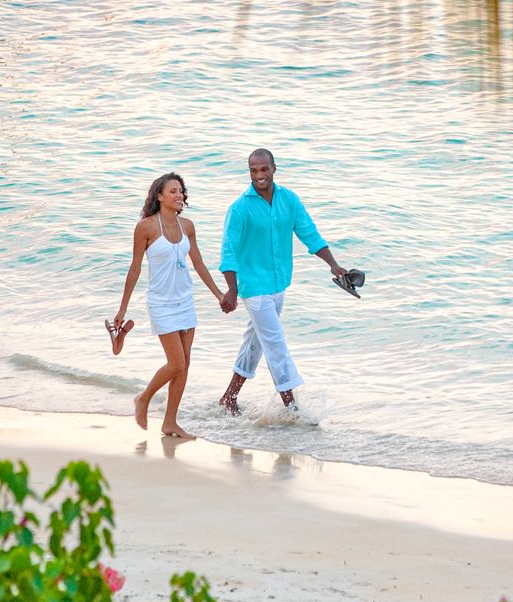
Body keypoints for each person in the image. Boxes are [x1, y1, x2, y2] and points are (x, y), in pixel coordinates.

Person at [217, 149, 352, 415]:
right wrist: (231, 290)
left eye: (264, 169)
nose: (259, 176)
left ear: (274, 169)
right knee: (275, 343)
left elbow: (309, 233)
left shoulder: (288, 199)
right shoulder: (240, 208)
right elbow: (228, 251)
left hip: (278, 285)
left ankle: (229, 398)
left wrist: (333, 265)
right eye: (253, 171)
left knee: (254, 343)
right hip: (253, 288)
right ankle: (292, 408)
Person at [110, 172, 228, 440]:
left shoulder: (187, 226)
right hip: (161, 301)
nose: (179, 196)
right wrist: (122, 309)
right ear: (159, 196)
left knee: (185, 364)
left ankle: (170, 422)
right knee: (176, 362)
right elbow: (135, 268)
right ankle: (144, 398)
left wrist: (219, 294)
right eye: (173, 191)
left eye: (181, 191)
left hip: (185, 299)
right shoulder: (146, 227)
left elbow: (198, 263)